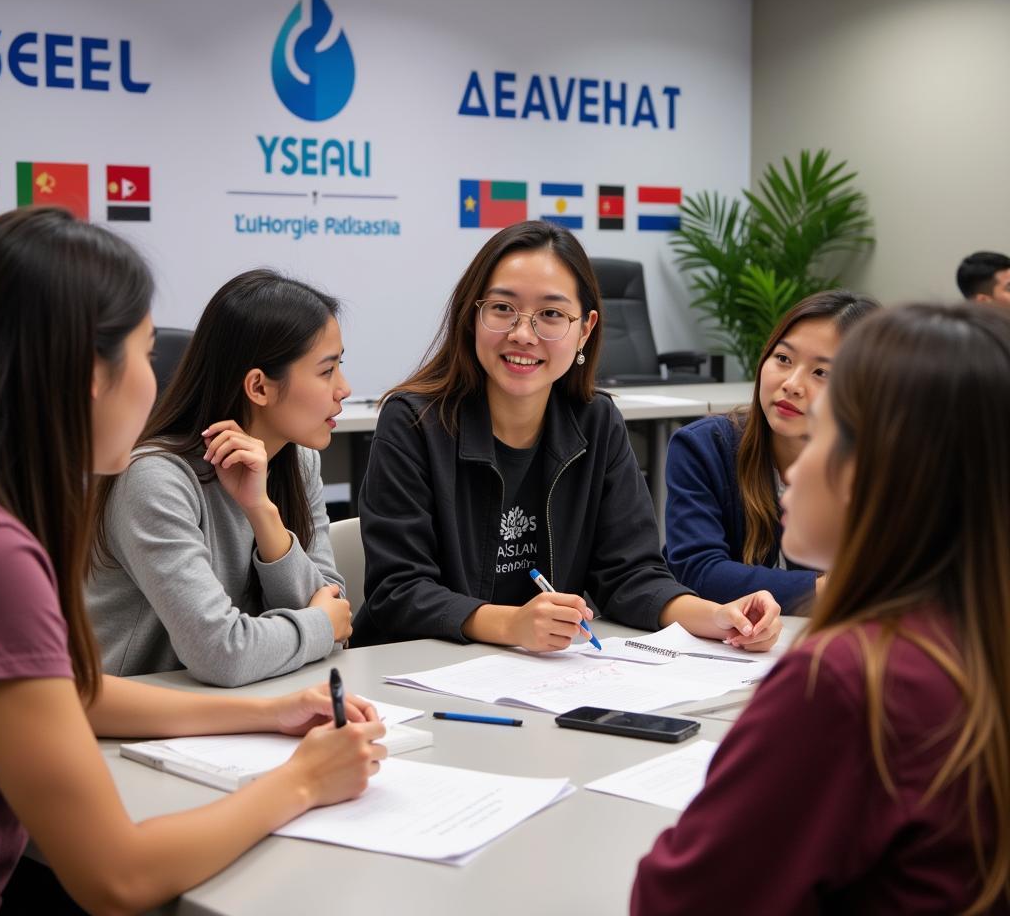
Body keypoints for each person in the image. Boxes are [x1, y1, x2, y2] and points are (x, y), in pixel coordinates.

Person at [0, 207, 385, 916]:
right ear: (87, 374)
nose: (155, 378)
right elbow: (117, 879)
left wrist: (270, 712)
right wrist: (300, 782)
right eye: (144, 352)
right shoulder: (2, 555)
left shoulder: (7, 525)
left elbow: (72, 690)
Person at [633, 303, 1010, 915]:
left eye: (826, 431)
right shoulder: (975, 632)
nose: (798, 466)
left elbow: (678, 900)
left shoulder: (843, 683)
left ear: (887, 471)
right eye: (782, 360)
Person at [353, 220, 781, 652]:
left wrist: (717, 616)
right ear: (472, 314)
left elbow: (630, 575)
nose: (522, 334)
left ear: (586, 329)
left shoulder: (597, 422)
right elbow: (399, 592)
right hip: (411, 674)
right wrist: (511, 625)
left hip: (536, 676)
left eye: (551, 315)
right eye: (503, 308)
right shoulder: (413, 423)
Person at [88, 269, 353, 687]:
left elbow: (335, 614)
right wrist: (318, 624)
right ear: (259, 387)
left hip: (246, 704)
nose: (345, 389)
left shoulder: (298, 461)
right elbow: (220, 653)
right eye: (326, 371)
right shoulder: (154, 479)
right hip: (133, 727)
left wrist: (262, 513)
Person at [663, 290, 877, 613]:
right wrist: (821, 589)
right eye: (783, 359)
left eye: (821, 372)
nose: (792, 384)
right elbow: (699, 572)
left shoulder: (879, 466)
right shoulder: (705, 446)